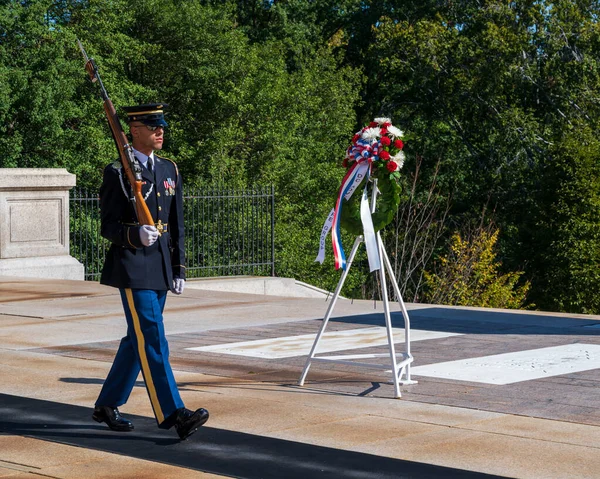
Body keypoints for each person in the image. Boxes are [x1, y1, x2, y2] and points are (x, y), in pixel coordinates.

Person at [92, 103, 209, 440]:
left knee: (138, 339)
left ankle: (107, 403)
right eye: (153, 126)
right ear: (134, 131)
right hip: (131, 266)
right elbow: (108, 225)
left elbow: (176, 224)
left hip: (159, 267)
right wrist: (134, 234)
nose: (160, 131)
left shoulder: (169, 169)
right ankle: (174, 413)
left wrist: (179, 267)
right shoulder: (116, 172)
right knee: (153, 338)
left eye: (161, 126)